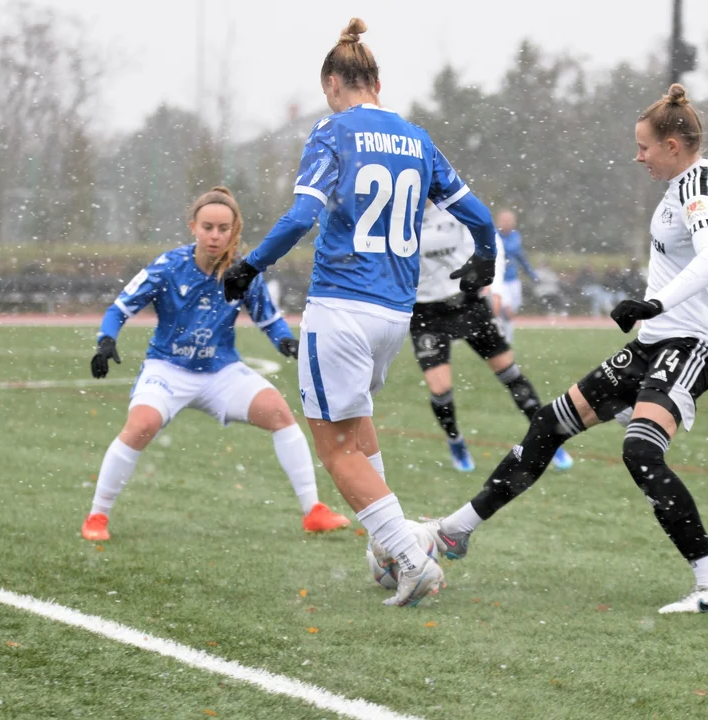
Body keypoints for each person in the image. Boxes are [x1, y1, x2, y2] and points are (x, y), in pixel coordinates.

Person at [426, 84, 708, 614]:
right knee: (549, 424)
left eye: (644, 147)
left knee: (641, 451)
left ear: (673, 145)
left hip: (693, 343)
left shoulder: (695, 191)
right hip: (655, 343)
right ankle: (455, 530)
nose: (638, 156)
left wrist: (654, 303)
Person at [222, 19, 498, 607]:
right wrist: (486, 259)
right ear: (378, 81)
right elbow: (477, 213)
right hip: (394, 314)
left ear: (331, 83)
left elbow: (301, 217)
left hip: (341, 306)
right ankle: (390, 547)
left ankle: (410, 556)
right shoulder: (416, 138)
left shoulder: (333, 130)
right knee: (356, 427)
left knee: (334, 448)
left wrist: (250, 265)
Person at [82, 187, 350, 542]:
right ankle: (97, 516)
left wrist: (286, 341)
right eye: (207, 227)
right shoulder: (168, 267)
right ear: (193, 227)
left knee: (279, 413)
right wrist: (106, 340)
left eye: (223, 228)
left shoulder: (242, 271)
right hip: (167, 369)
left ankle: (313, 511)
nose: (215, 235)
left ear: (234, 230)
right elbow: (119, 308)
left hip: (221, 371)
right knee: (141, 425)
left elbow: (268, 318)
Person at [410, 201, 573, 472]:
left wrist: (494, 288)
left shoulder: (453, 202)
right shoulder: (399, 210)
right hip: (426, 312)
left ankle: (546, 440)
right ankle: (455, 439)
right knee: (440, 390)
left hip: (467, 302)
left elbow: (490, 240)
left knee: (509, 373)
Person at [492, 209, 539, 343]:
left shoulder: (516, 236)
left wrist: (532, 274)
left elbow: (521, 257)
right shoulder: (494, 236)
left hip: (513, 280)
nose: (507, 223)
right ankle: (502, 341)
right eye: (504, 220)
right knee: (504, 310)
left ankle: (507, 340)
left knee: (511, 312)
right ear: (498, 221)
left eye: (510, 220)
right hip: (500, 280)